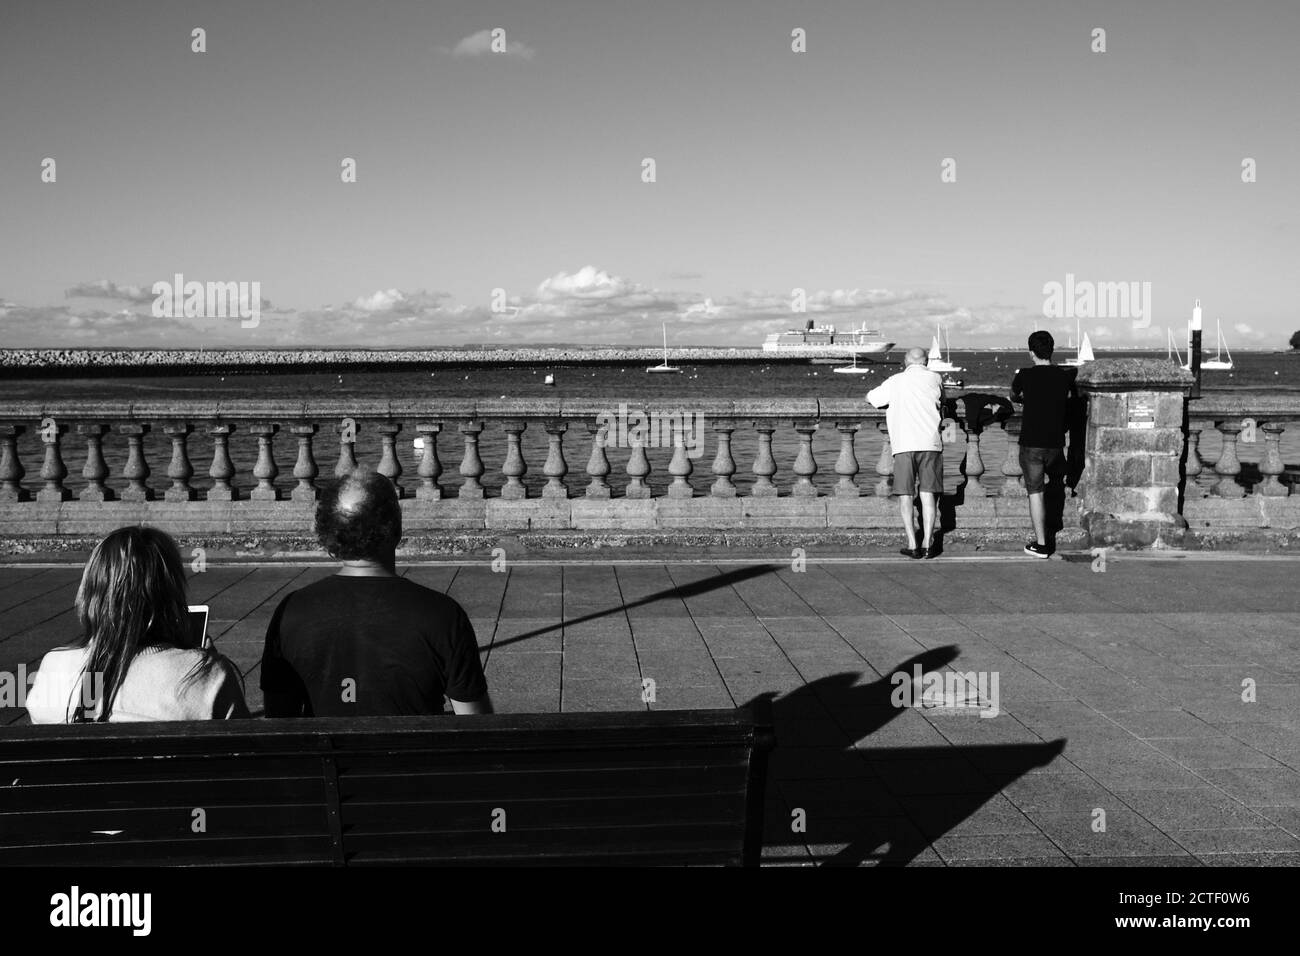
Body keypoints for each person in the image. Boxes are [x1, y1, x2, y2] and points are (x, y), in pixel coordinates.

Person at [261, 469, 491, 717]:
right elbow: (476, 726)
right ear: (396, 527)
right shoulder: (442, 615)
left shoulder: (291, 611)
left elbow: (280, 720)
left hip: (325, 755)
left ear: (327, 534)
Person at [27, 526, 249, 723]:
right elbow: (242, 757)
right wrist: (203, 663)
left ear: (91, 594)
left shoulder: (53, 669)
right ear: (170, 593)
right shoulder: (206, 675)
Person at [867, 346, 945, 559]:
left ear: (905, 361)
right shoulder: (936, 378)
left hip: (904, 444)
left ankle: (913, 544)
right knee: (929, 495)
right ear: (926, 362)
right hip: (930, 443)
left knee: (906, 496)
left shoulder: (895, 381)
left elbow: (872, 398)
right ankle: (929, 543)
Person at [1010, 331, 1078, 558]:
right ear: (1052, 350)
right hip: (1056, 444)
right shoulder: (1065, 376)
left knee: (1036, 492)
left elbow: (1013, 395)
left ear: (1031, 353)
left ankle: (1041, 544)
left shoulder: (1025, 376)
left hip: (1032, 443)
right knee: (1057, 483)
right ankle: (1055, 527)